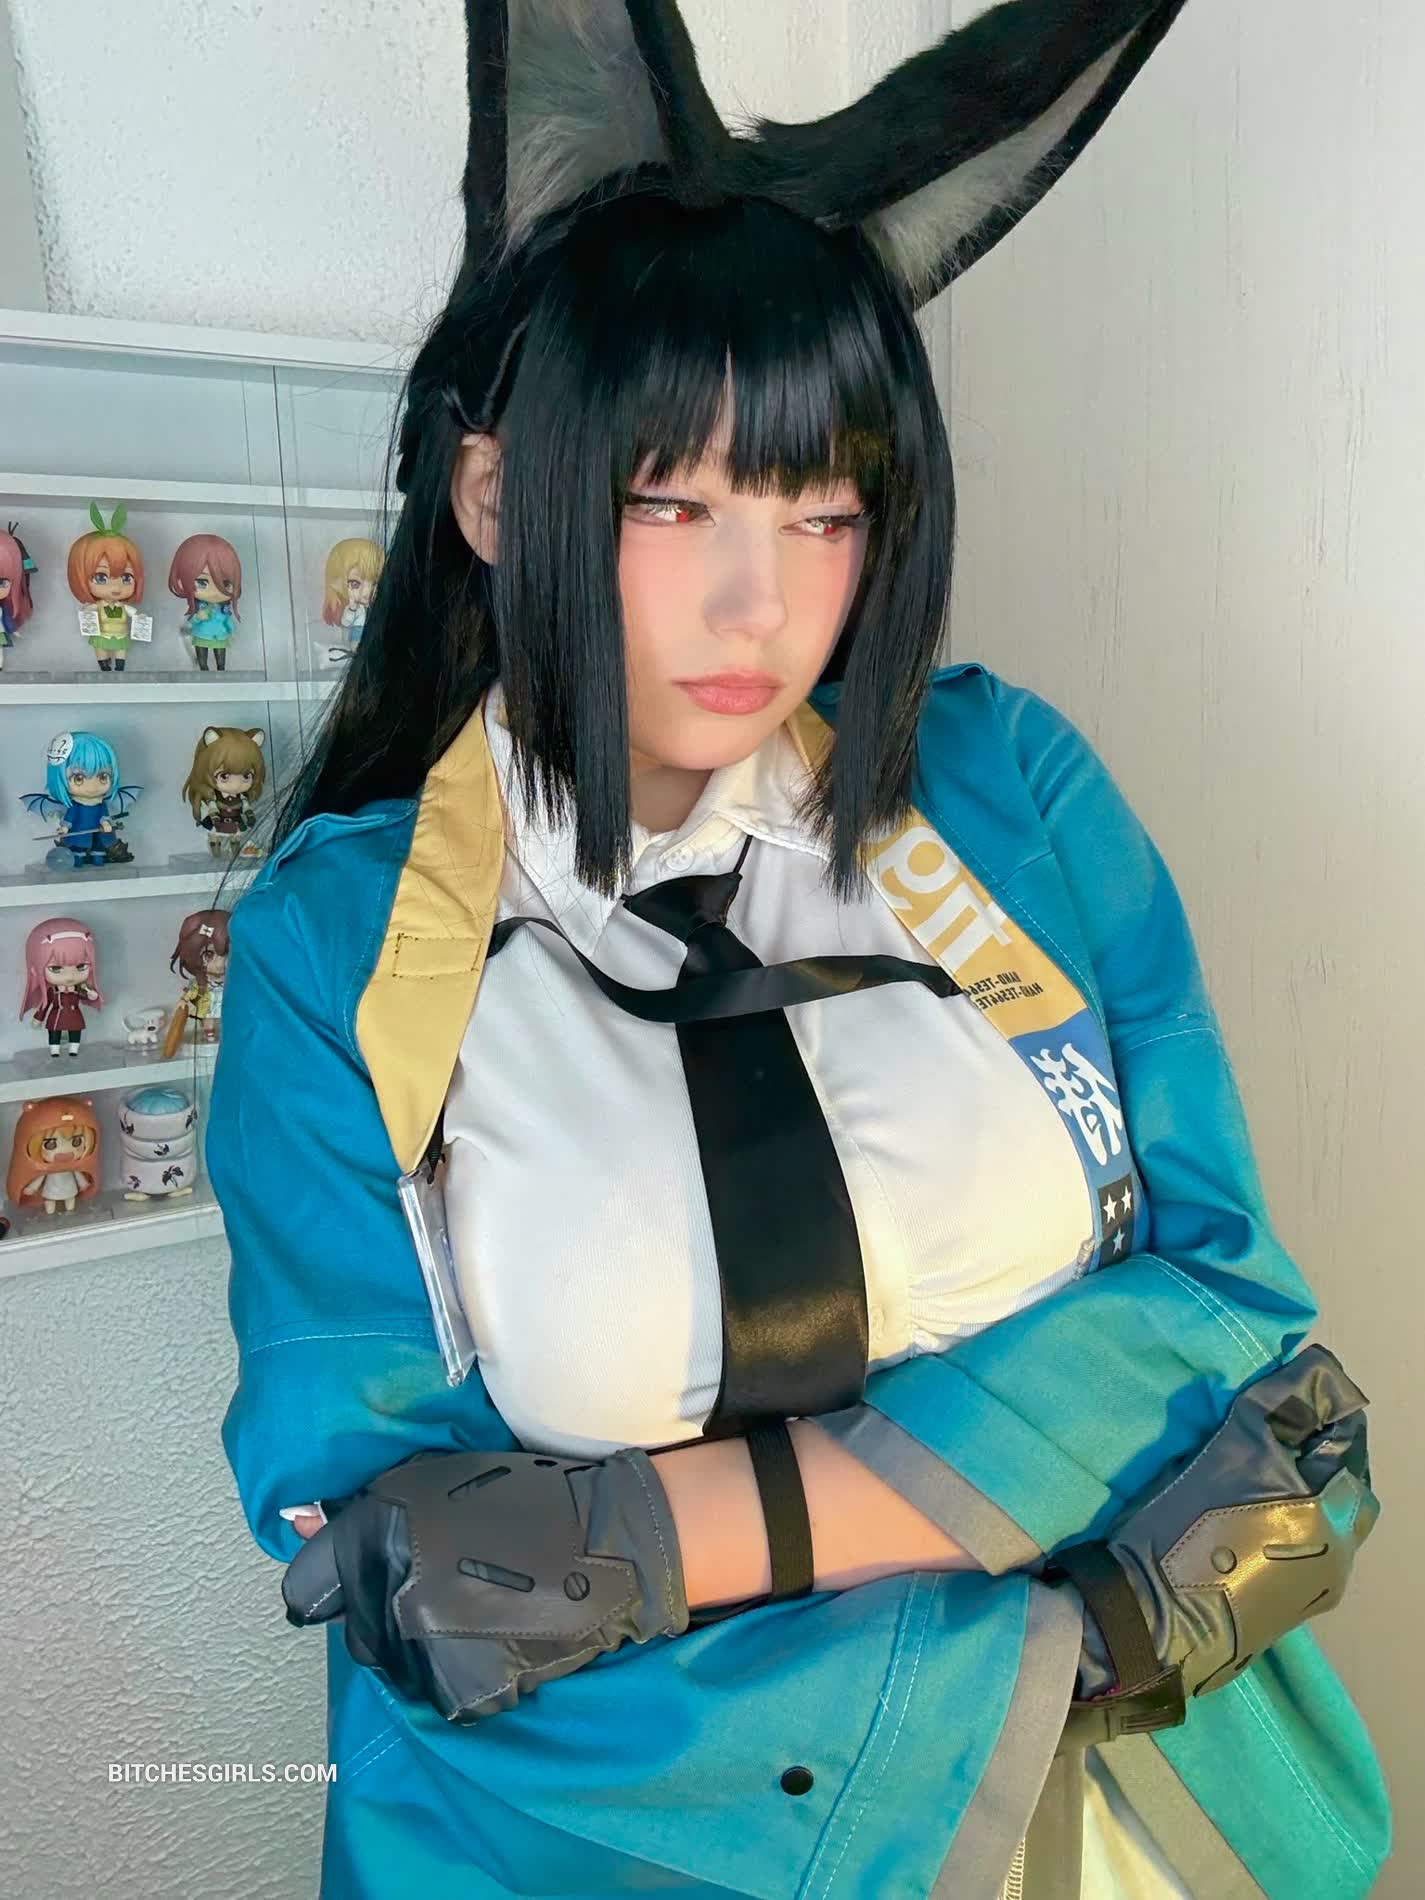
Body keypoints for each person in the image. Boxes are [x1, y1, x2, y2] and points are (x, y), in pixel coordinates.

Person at [209, 4, 1389, 1897]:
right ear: (497, 499)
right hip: (595, 1853)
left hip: (1116, 1822)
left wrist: (665, 1538)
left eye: (823, 511)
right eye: (665, 500)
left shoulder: (1010, 795)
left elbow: (1233, 1316)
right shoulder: (335, 944)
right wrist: (1060, 1614)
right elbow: (423, 1570)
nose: (755, 602)